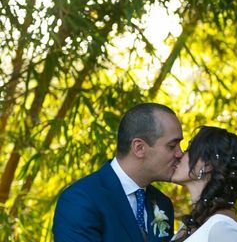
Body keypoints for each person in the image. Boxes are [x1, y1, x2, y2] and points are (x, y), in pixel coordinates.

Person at [53, 103, 184, 242]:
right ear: (139, 148)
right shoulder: (80, 199)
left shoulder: (162, 203)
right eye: (172, 146)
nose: (180, 154)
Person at [170, 126, 237, 242]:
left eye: (189, 150)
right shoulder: (191, 225)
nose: (180, 155)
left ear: (207, 165)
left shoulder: (223, 230)